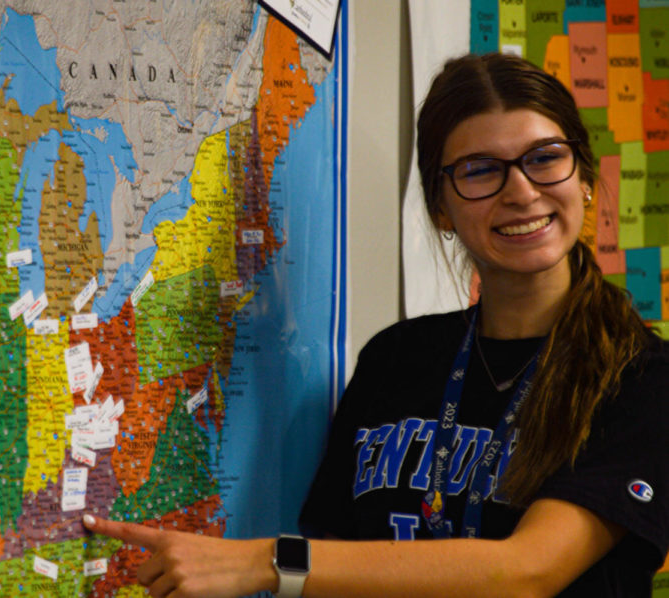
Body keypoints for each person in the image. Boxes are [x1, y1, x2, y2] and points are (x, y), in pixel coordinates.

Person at [83, 53, 669, 597]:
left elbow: (526, 571)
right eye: (481, 170)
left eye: (544, 158)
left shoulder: (641, 378)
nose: (521, 191)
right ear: (442, 207)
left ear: (584, 179)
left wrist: (263, 562)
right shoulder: (397, 358)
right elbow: (337, 552)